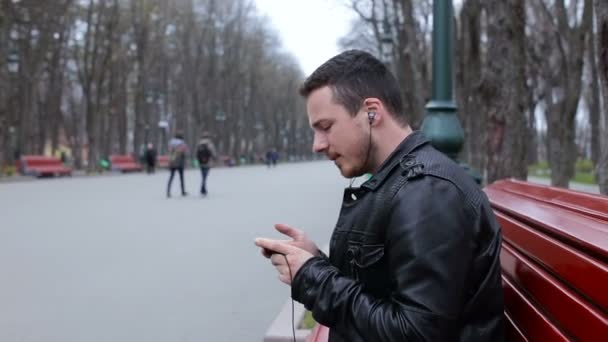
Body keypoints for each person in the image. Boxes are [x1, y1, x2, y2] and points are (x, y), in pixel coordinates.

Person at [255, 50, 504, 341]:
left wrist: (314, 278)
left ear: (371, 112)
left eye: (325, 127)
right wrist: (315, 262)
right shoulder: (403, 181)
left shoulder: (429, 193)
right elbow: (383, 291)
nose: (317, 145)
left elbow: (416, 334)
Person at [166, 132, 188, 197]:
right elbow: (185, 153)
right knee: (181, 178)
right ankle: (183, 191)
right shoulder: (182, 144)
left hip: (172, 162)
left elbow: (169, 152)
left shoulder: (170, 143)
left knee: (171, 177)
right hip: (180, 162)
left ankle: (168, 191)